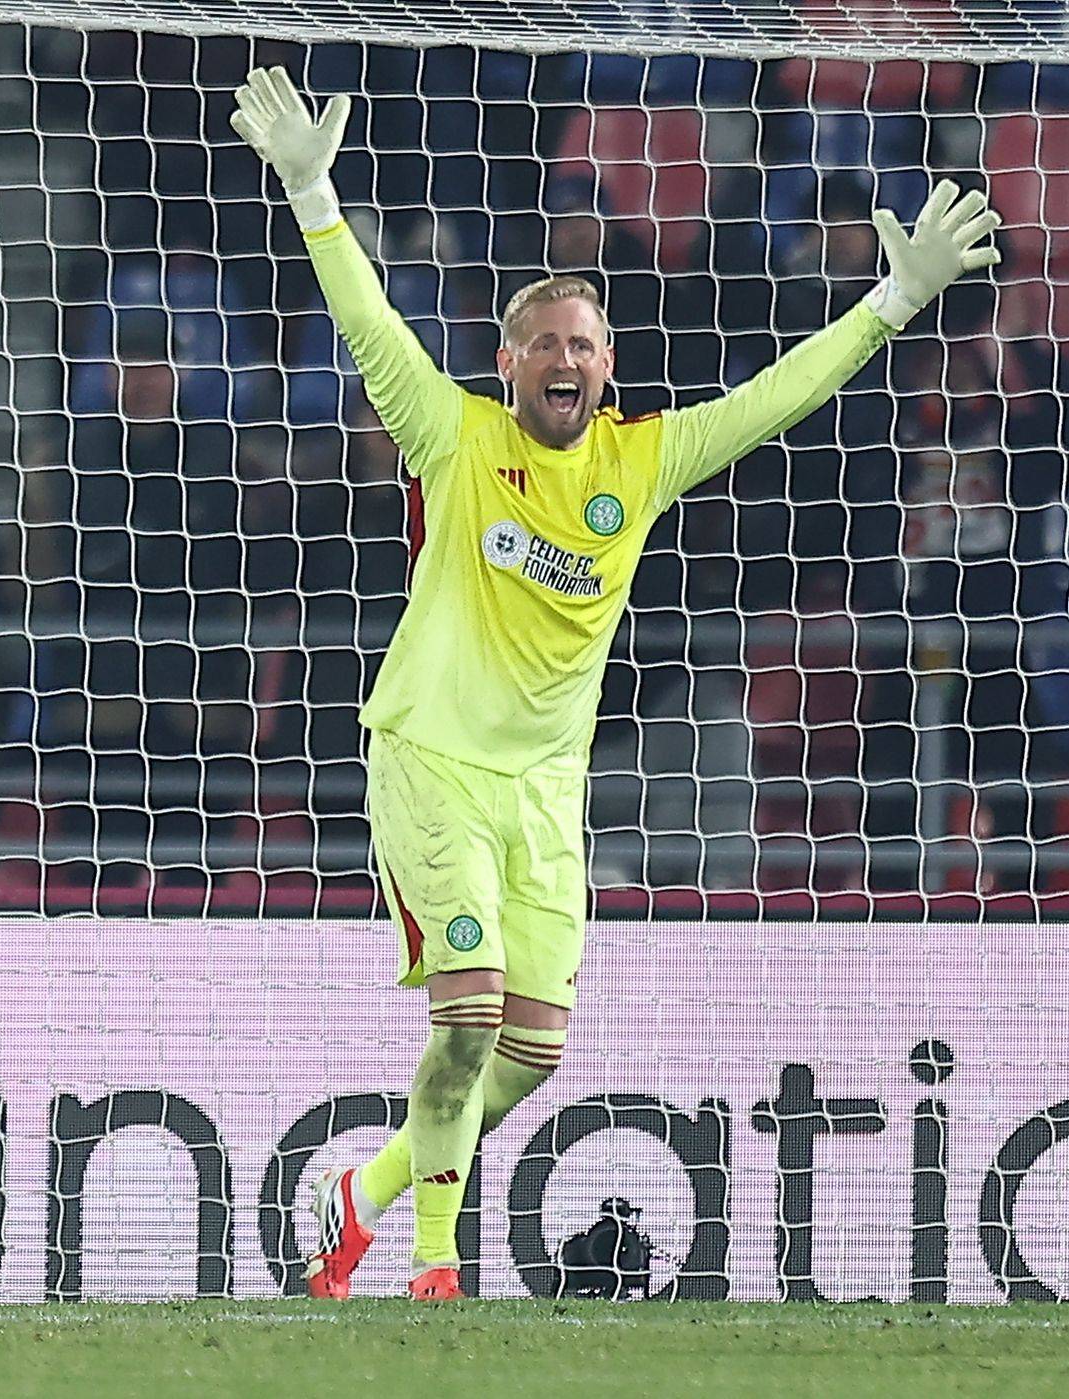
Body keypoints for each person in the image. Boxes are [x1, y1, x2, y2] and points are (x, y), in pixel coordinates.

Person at [230, 66, 1000, 1302]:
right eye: (542, 341)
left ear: (607, 364)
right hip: (432, 761)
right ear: (508, 362)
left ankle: (361, 1193)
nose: (563, 357)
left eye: (582, 341)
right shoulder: (454, 435)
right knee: (468, 1018)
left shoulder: (641, 463)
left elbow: (771, 401)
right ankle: (432, 1274)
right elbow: (372, 327)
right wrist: (317, 194)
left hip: (545, 795)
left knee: (530, 1054)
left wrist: (896, 300)